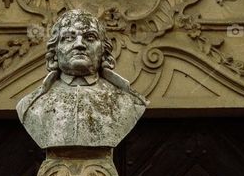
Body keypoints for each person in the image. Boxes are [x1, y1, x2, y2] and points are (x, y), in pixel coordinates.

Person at [17, 10, 147, 150]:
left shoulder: (127, 102)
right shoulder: (31, 105)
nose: (79, 44)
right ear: (55, 52)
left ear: (103, 50)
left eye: (90, 37)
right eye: (68, 37)